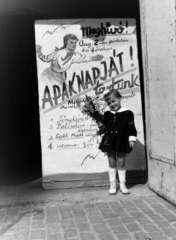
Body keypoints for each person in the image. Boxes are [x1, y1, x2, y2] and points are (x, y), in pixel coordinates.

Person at [99, 89, 137, 195]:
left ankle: (122, 185)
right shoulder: (106, 114)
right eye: (109, 103)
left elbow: (131, 128)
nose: (112, 104)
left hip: (122, 141)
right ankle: (113, 185)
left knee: (121, 162)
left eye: (114, 101)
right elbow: (104, 128)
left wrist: (132, 139)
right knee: (112, 162)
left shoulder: (128, 113)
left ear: (119, 98)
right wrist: (100, 123)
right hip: (110, 141)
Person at [36, 34, 103, 84]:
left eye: (75, 43)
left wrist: (92, 58)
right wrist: (39, 53)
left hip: (61, 76)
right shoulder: (58, 53)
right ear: (66, 42)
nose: (74, 45)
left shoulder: (74, 55)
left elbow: (82, 57)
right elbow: (46, 58)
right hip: (50, 75)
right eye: (71, 42)